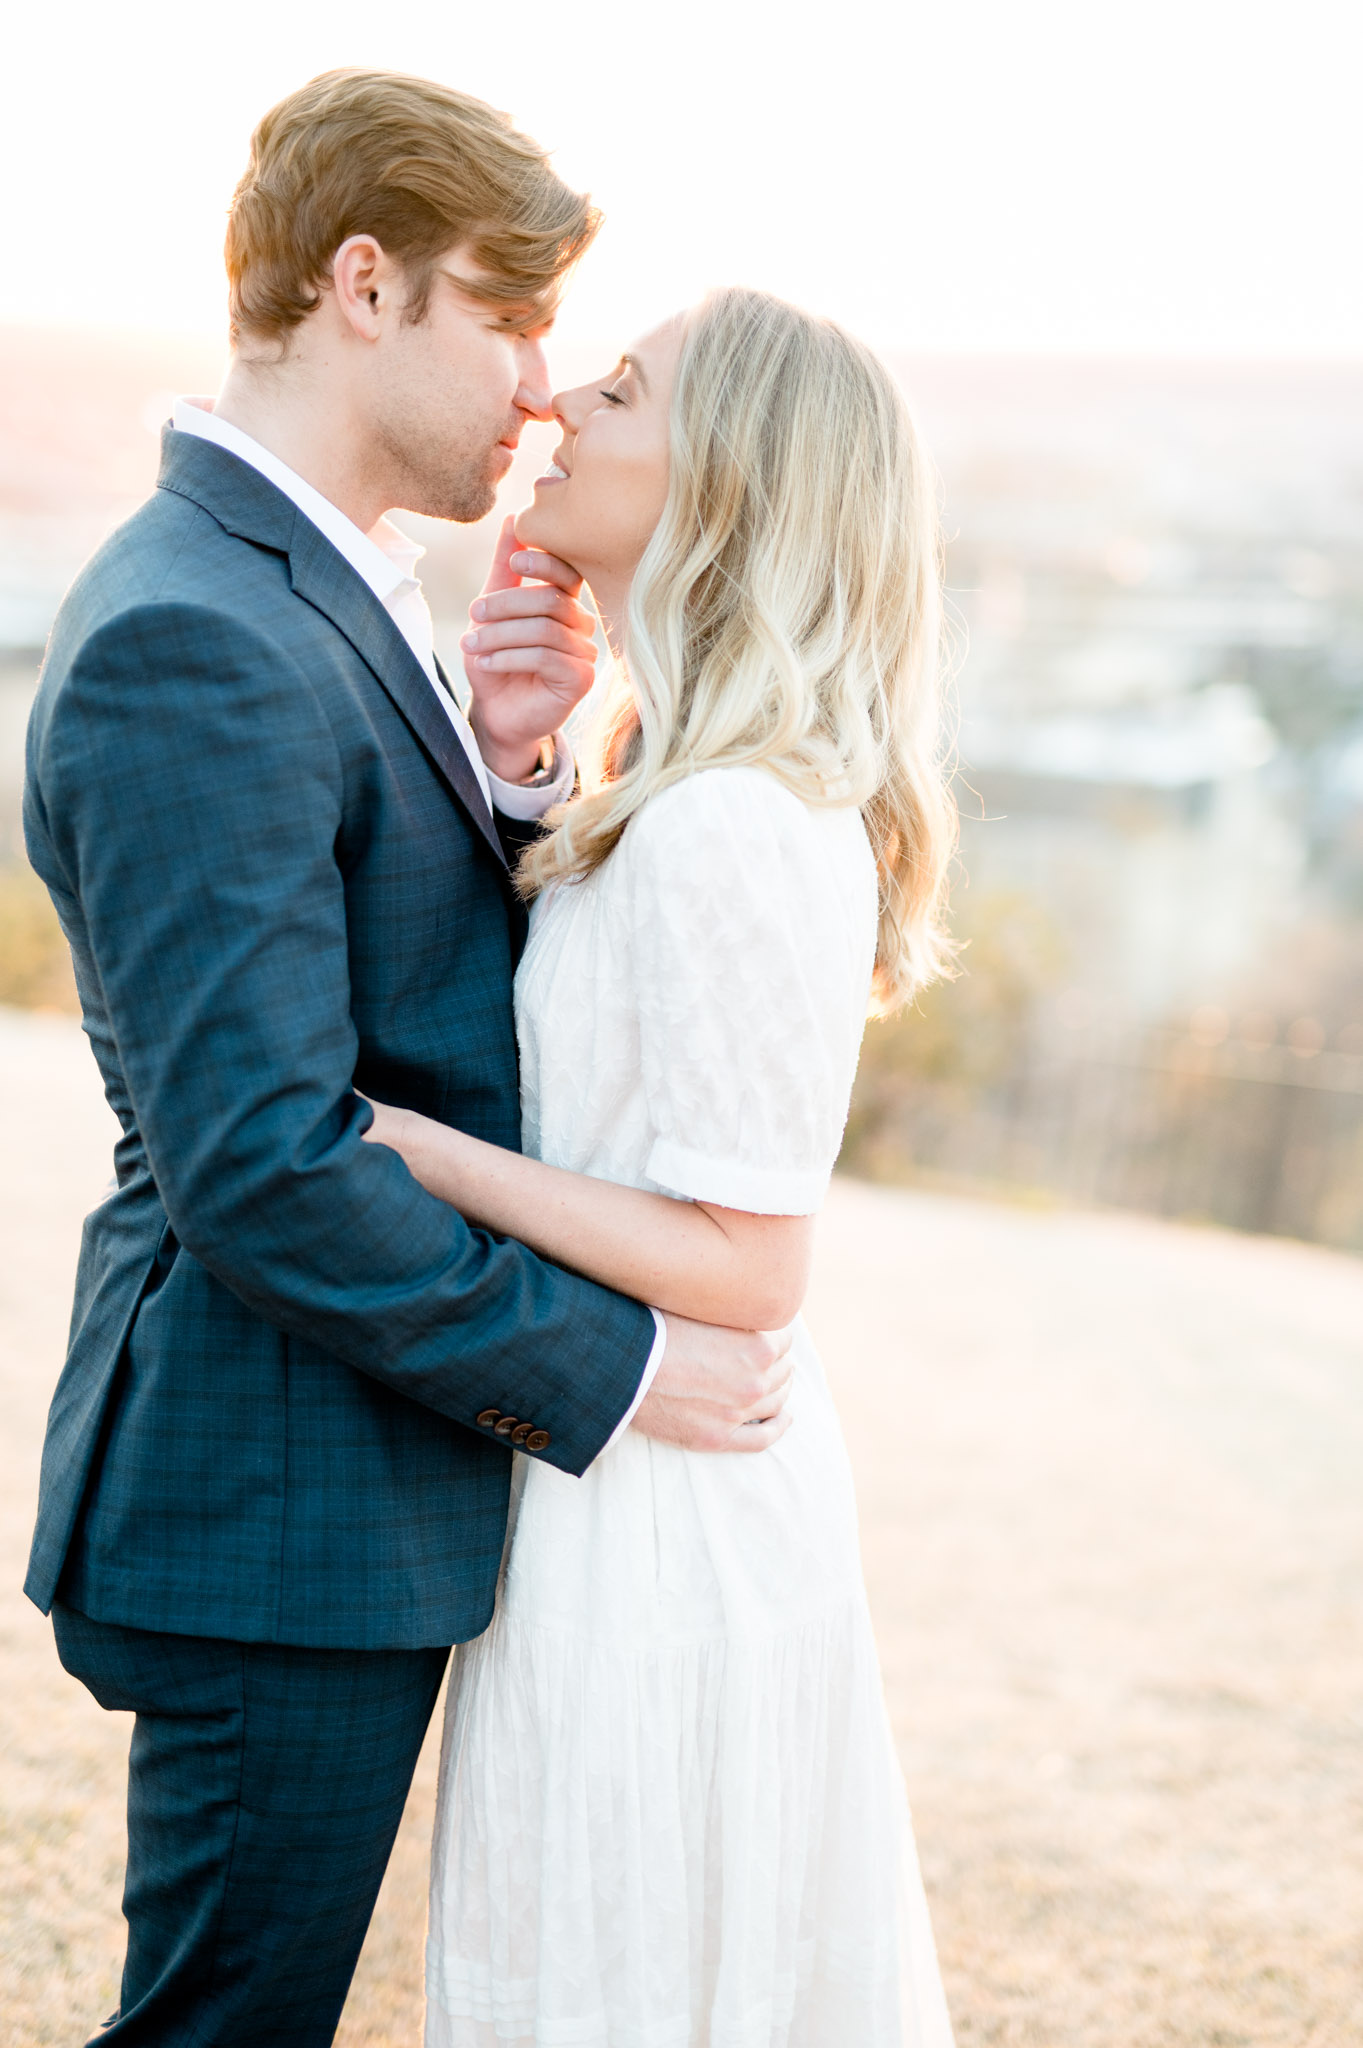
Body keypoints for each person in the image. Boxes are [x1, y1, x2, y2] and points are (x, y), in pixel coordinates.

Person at [22, 71, 793, 2048]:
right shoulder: (188, 632)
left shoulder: (331, 588)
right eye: (507, 313)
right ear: (364, 286)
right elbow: (268, 1155)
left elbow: (421, 1004)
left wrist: (522, 773)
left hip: (336, 1482)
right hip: (269, 1497)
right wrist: (615, 1365)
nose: (544, 381)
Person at [363, 289, 959, 2045]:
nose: (559, 414)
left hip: (672, 1521)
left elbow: (749, 1265)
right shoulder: (661, 786)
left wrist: (420, 1157)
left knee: (624, 1977)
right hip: (607, 1473)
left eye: (617, 392)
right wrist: (525, 766)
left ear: (728, 480)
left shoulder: (732, 821)